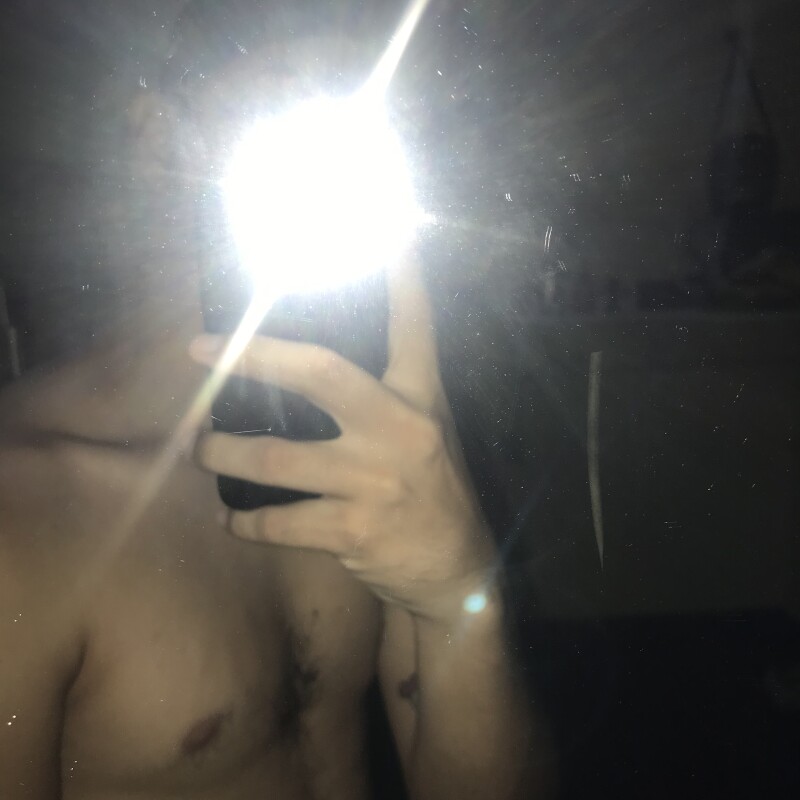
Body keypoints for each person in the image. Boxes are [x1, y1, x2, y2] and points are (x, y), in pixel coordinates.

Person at [0, 1, 554, 797]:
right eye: (295, 96)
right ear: (159, 135)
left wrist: (462, 603)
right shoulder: (23, 517)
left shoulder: (374, 436)